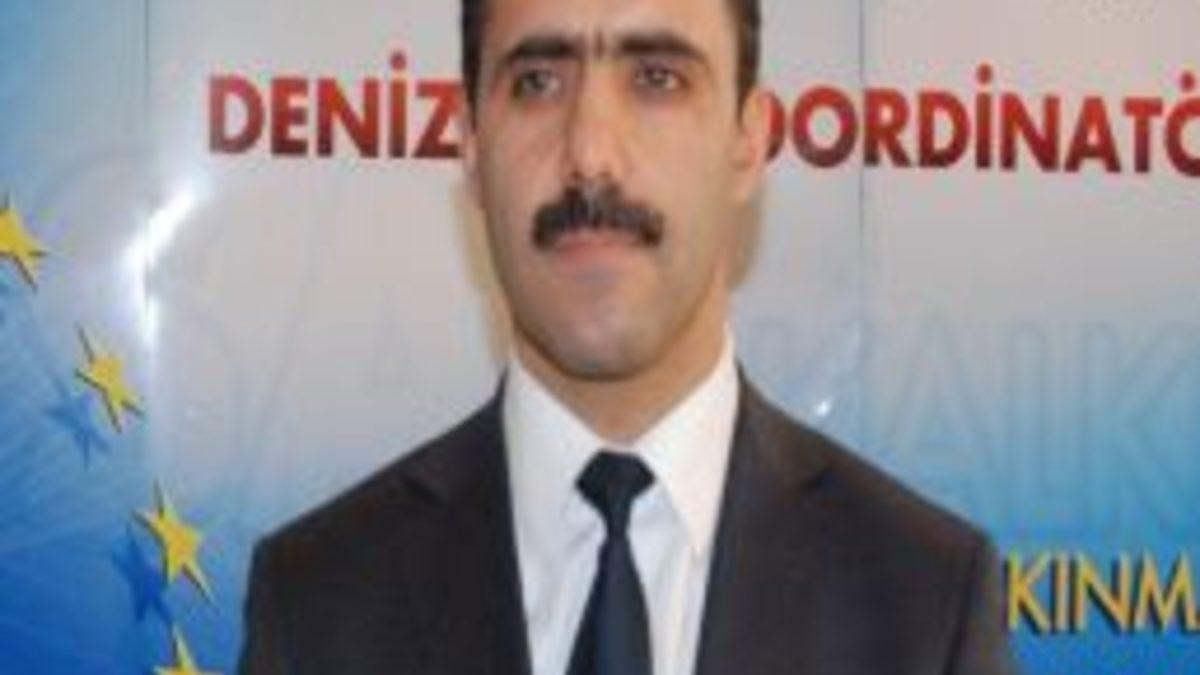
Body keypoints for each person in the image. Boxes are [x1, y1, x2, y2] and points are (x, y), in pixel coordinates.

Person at [238, 0, 1019, 672]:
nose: (590, 154)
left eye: (656, 78)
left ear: (748, 142)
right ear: (471, 145)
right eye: (537, 82)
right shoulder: (315, 601)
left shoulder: (927, 605)